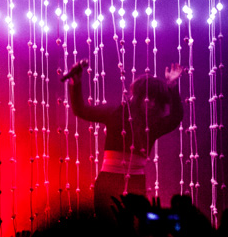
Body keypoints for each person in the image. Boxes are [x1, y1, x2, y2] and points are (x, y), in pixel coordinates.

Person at [64, 59, 184, 220]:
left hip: (136, 183)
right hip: (108, 182)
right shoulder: (117, 112)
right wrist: (75, 83)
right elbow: (81, 110)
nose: (152, 103)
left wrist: (172, 87)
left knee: (134, 233)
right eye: (149, 97)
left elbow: (176, 117)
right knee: (108, 232)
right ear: (139, 96)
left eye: (157, 100)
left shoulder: (154, 123)